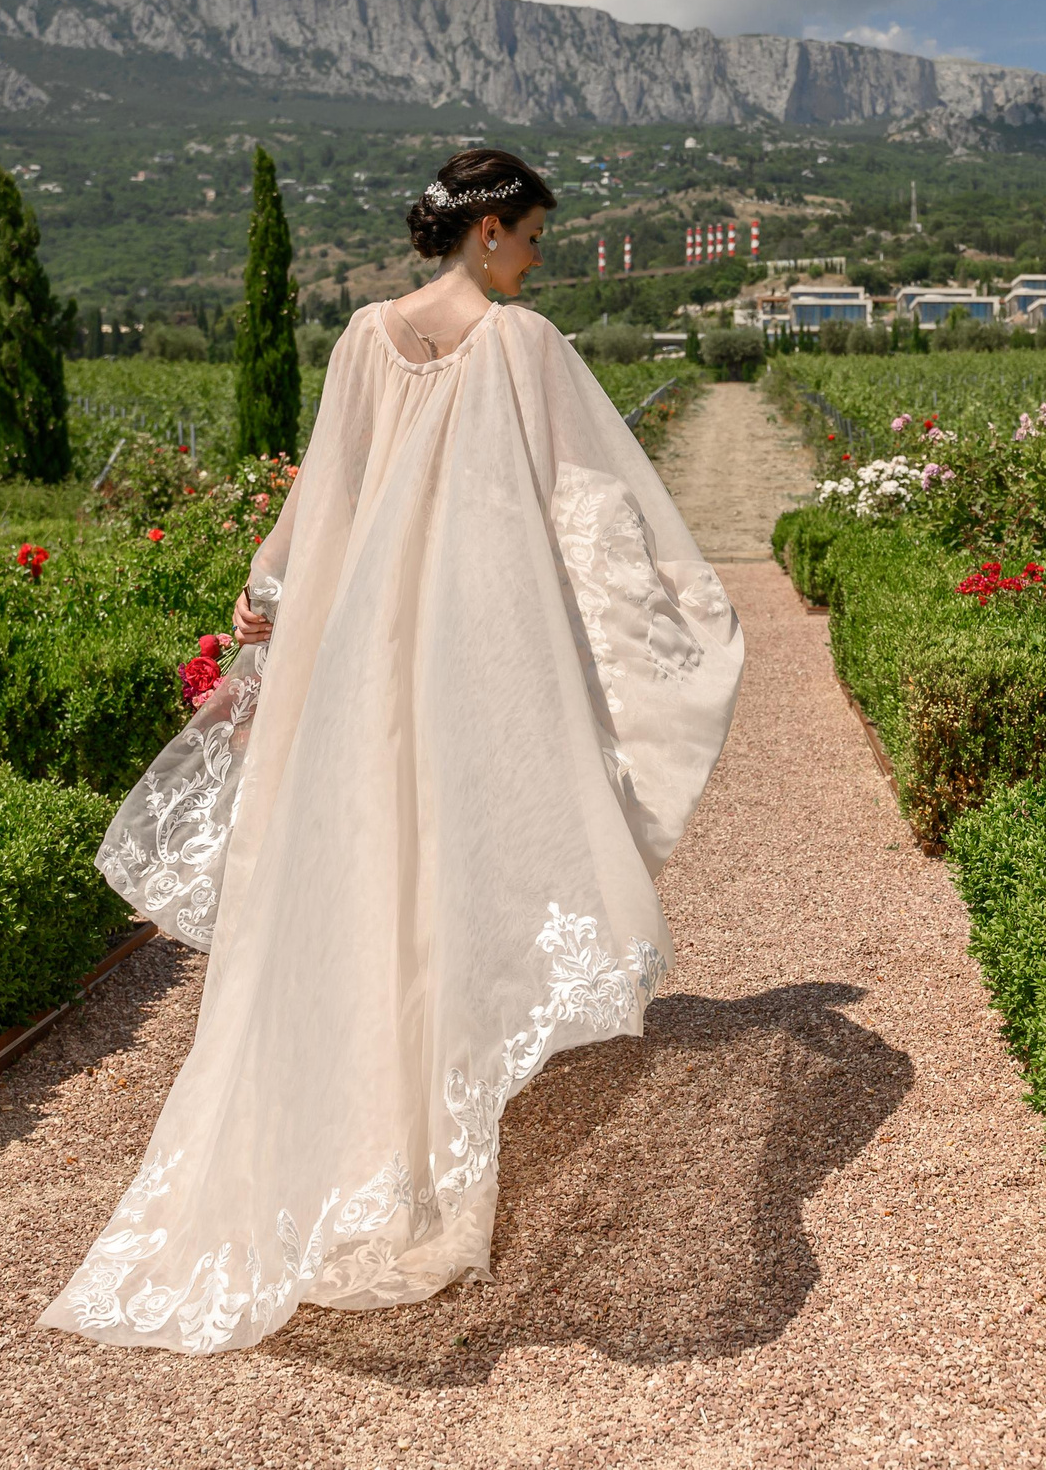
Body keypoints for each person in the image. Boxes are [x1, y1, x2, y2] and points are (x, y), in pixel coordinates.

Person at [42, 148, 743, 1352]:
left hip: (359, 655)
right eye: (527, 235)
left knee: (364, 871)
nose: (534, 257)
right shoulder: (523, 346)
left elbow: (324, 490)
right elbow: (592, 512)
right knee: (453, 865)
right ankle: (420, 1152)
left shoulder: (364, 334)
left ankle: (365, 1135)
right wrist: (677, 619)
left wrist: (265, 586)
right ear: (485, 233)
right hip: (474, 656)